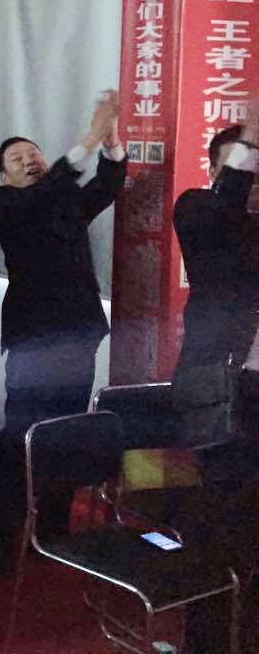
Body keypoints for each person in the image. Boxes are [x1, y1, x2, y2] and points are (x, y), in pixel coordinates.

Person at [0, 90, 126, 569]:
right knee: (22, 435)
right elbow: (45, 194)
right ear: (4, 176)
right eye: (17, 159)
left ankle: (52, 536)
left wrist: (110, 139)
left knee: (67, 432)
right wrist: (88, 138)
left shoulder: (62, 202)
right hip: (34, 339)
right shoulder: (5, 203)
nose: (29, 161)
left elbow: (107, 185)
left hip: (78, 334)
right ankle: (2, 540)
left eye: (34, 154)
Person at [170, 116, 259, 653]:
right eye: (248, 167)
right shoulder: (198, 208)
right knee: (221, 525)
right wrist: (248, 146)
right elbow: (228, 210)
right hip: (221, 389)